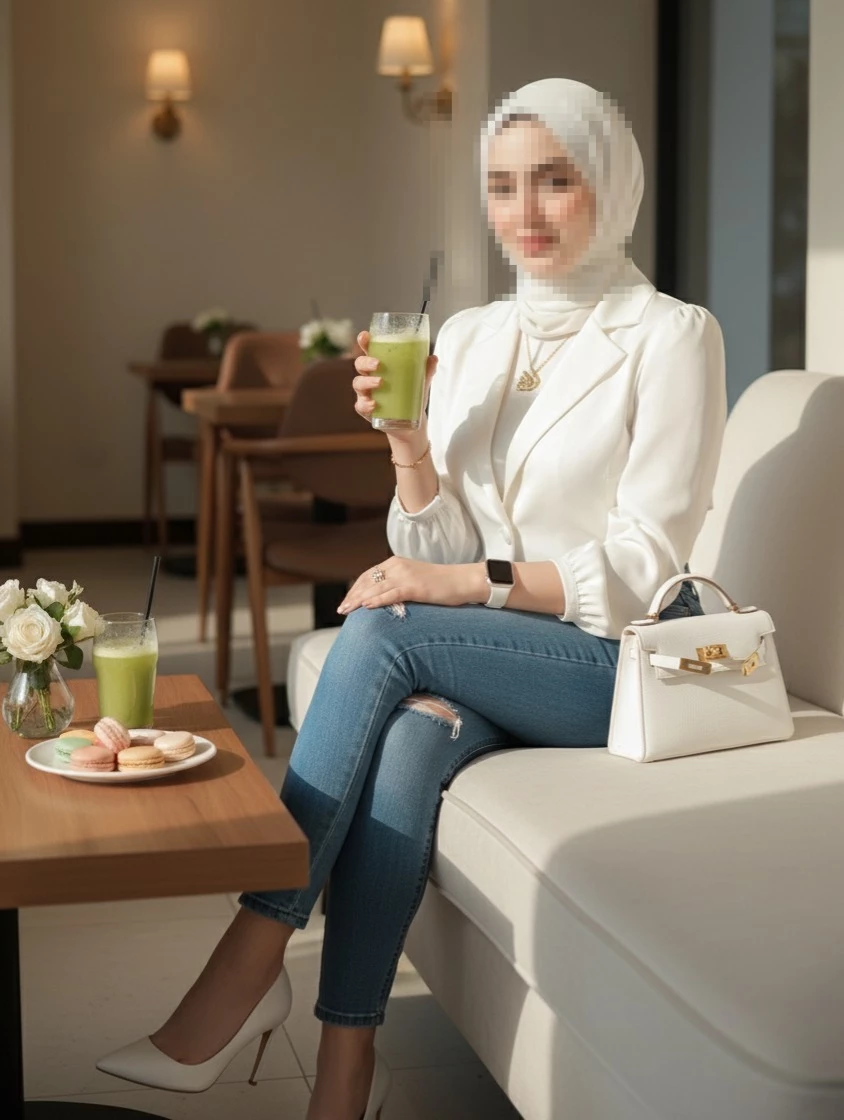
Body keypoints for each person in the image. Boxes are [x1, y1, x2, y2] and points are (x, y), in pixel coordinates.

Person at [96, 78, 727, 1120]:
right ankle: (347, 1070)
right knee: (407, 739)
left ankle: (250, 957)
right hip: (482, 651)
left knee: (385, 632)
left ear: (608, 185)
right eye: (501, 186)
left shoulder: (670, 335)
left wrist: (462, 583)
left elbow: (640, 561)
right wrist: (408, 448)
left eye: (554, 181)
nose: (524, 212)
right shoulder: (474, 335)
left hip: (608, 662)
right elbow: (431, 542)